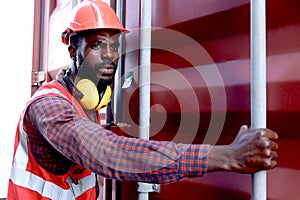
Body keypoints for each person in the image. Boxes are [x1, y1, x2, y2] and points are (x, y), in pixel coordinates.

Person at [7, 0, 278, 199]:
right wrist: (226, 156)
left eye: (114, 46)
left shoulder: (87, 104)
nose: (109, 56)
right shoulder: (48, 107)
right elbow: (107, 152)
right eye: (97, 45)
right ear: (72, 50)